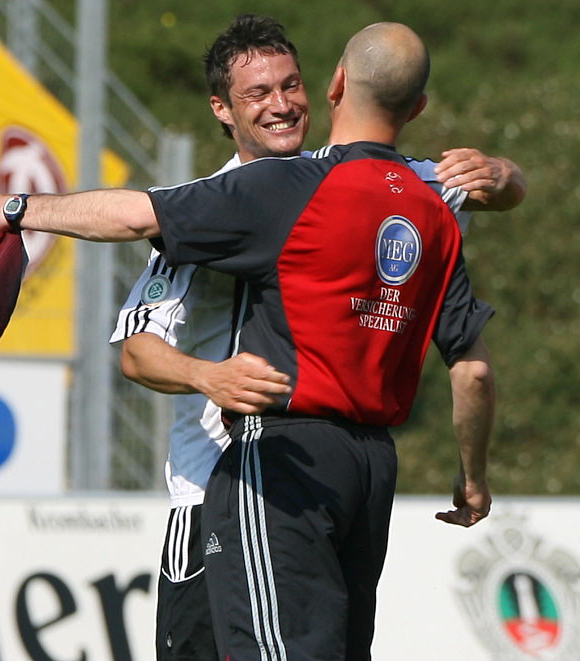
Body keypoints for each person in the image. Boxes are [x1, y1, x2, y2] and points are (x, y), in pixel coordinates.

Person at [109, 15, 524, 661]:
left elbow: (490, 189)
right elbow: (137, 352)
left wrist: (498, 171)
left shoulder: (349, 180)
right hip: (212, 485)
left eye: (289, 85)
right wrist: (206, 376)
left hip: (317, 474)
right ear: (221, 109)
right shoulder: (198, 210)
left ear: (324, 87)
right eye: (257, 93)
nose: (280, 104)